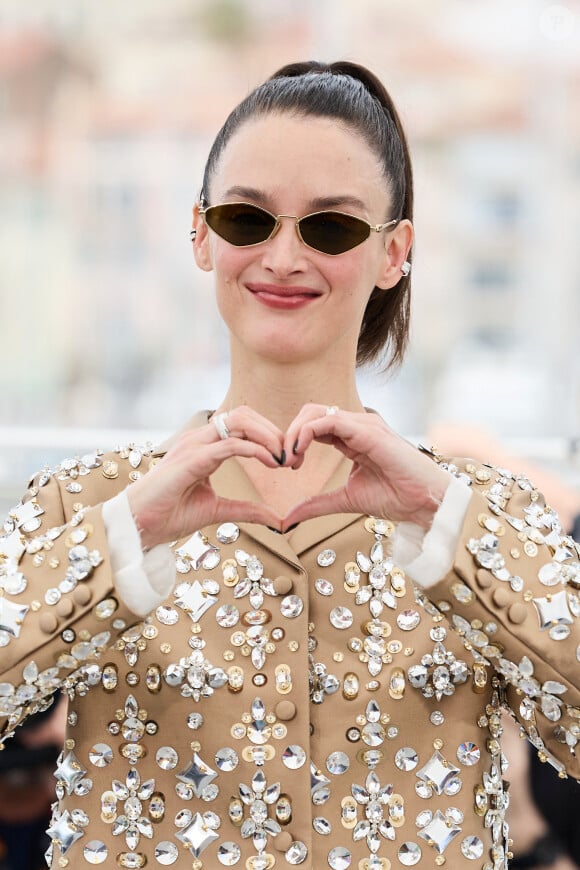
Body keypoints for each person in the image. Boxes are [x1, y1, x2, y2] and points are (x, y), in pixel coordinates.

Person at [1, 60, 579, 870]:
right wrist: (116, 545)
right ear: (200, 234)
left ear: (393, 252)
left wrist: (449, 525)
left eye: (331, 227)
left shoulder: (483, 512)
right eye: (248, 218)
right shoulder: (84, 503)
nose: (282, 255)